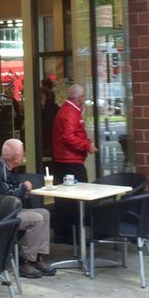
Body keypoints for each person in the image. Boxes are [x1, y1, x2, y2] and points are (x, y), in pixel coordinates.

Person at [0, 138, 56, 279]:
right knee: (37, 218)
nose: (24, 156)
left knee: (45, 213)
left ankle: (37, 257)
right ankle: (26, 262)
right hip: (2, 215)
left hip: (11, 210)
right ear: (15, 158)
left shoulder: (5, 168)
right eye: (22, 153)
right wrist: (24, 187)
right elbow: (8, 198)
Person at [51, 84, 97, 244]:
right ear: (79, 98)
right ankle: (74, 235)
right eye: (83, 96)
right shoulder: (70, 112)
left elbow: (71, 135)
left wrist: (85, 142)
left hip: (65, 159)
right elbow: (69, 137)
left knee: (64, 199)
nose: (84, 99)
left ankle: (63, 233)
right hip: (70, 161)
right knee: (77, 198)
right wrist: (87, 146)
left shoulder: (67, 110)